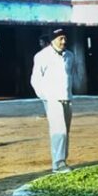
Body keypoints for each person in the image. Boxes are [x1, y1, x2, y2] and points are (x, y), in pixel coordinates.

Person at [31, 28, 75, 173]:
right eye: (60, 38)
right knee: (59, 131)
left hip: (67, 97)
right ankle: (58, 163)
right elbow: (35, 80)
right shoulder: (41, 56)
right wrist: (46, 97)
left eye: (65, 38)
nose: (63, 41)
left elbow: (70, 76)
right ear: (52, 40)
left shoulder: (70, 55)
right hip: (52, 99)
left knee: (66, 131)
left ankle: (63, 160)